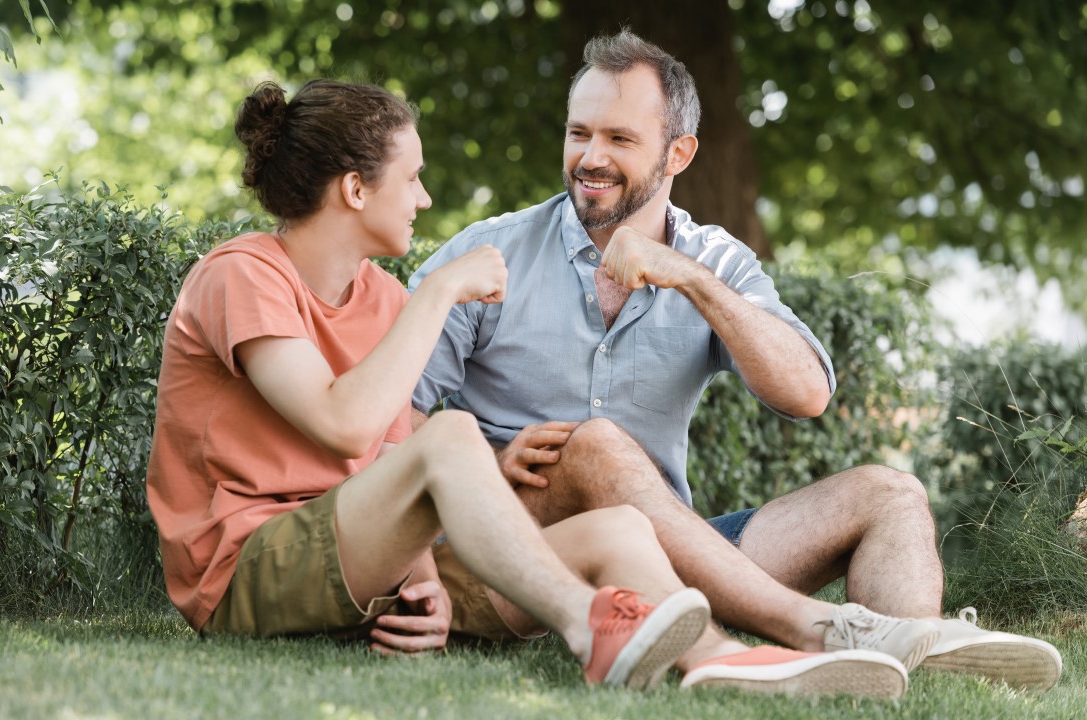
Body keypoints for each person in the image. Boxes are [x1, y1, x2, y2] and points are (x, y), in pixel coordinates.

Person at [147, 78, 912, 698]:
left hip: (354, 562)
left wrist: (429, 586)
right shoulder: (243, 274)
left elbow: (384, 456)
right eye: (411, 179)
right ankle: (590, 627)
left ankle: (721, 663)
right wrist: (440, 292)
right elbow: (342, 427)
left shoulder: (381, 298)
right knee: (451, 436)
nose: (423, 200)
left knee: (621, 531)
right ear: (354, 189)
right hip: (246, 568)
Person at [408, 29, 1062, 693]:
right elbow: (387, 422)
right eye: (579, 133)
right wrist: (486, 466)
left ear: (678, 154)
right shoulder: (488, 255)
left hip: (668, 555)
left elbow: (806, 392)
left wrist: (687, 278)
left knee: (890, 494)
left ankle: (900, 658)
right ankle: (817, 627)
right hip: (516, 556)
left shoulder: (712, 260)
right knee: (597, 445)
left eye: (620, 140)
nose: (590, 158)